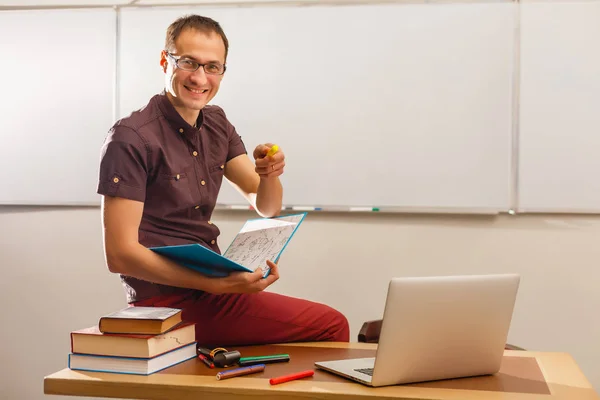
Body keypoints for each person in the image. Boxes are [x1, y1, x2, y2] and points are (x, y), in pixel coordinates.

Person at [97, 14, 349, 346]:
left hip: (212, 289)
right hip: (166, 304)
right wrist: (214, 285)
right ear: (165, 61)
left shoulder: (217, 122)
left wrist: (268, 174)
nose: (200, 78)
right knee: (332, 326)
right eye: (189, 63)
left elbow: (267, 207)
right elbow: (119, 255)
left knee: (325, 327)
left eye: (213, 67)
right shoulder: (130, 137)